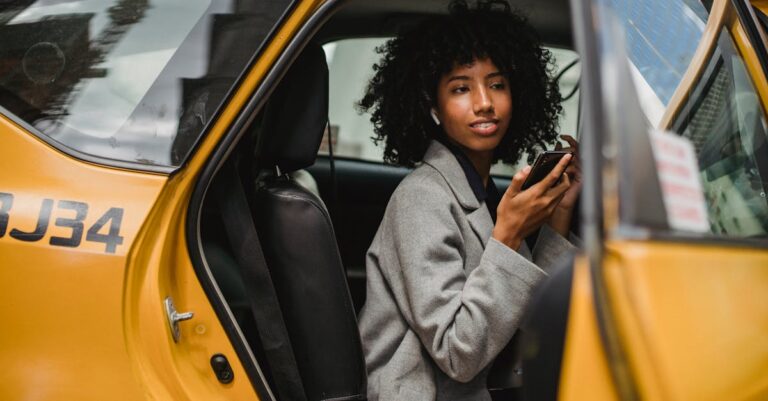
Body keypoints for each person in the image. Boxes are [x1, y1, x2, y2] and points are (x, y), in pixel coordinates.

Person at [356, 1, 582, 400]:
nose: (484, 103)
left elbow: (526, 318)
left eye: (497, 84)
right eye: (461, 88)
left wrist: (559, 213)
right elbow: (458, 354)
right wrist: (508, 236)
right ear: (432, 106)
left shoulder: (482, 190)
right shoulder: (420, 200)